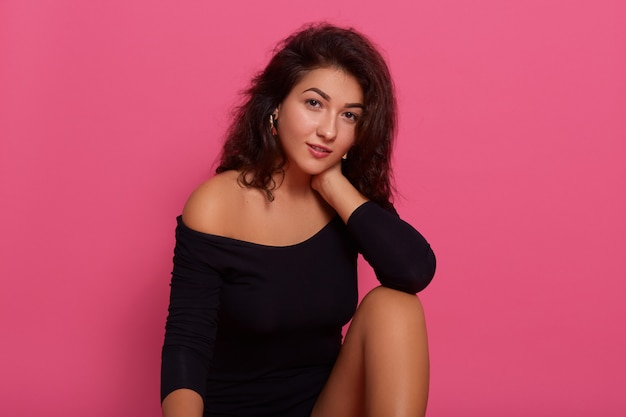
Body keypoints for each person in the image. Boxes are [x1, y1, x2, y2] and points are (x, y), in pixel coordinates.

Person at [160, 23, 436, 417]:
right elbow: (186, 344)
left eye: (349, 116)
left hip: (324, 407)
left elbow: (413, 271)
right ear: (276, 107)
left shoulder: (346, 203)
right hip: (236, 410)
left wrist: (333, 184)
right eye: (314, 104)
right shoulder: (216, 204)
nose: (328, 130)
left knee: (396, 307)